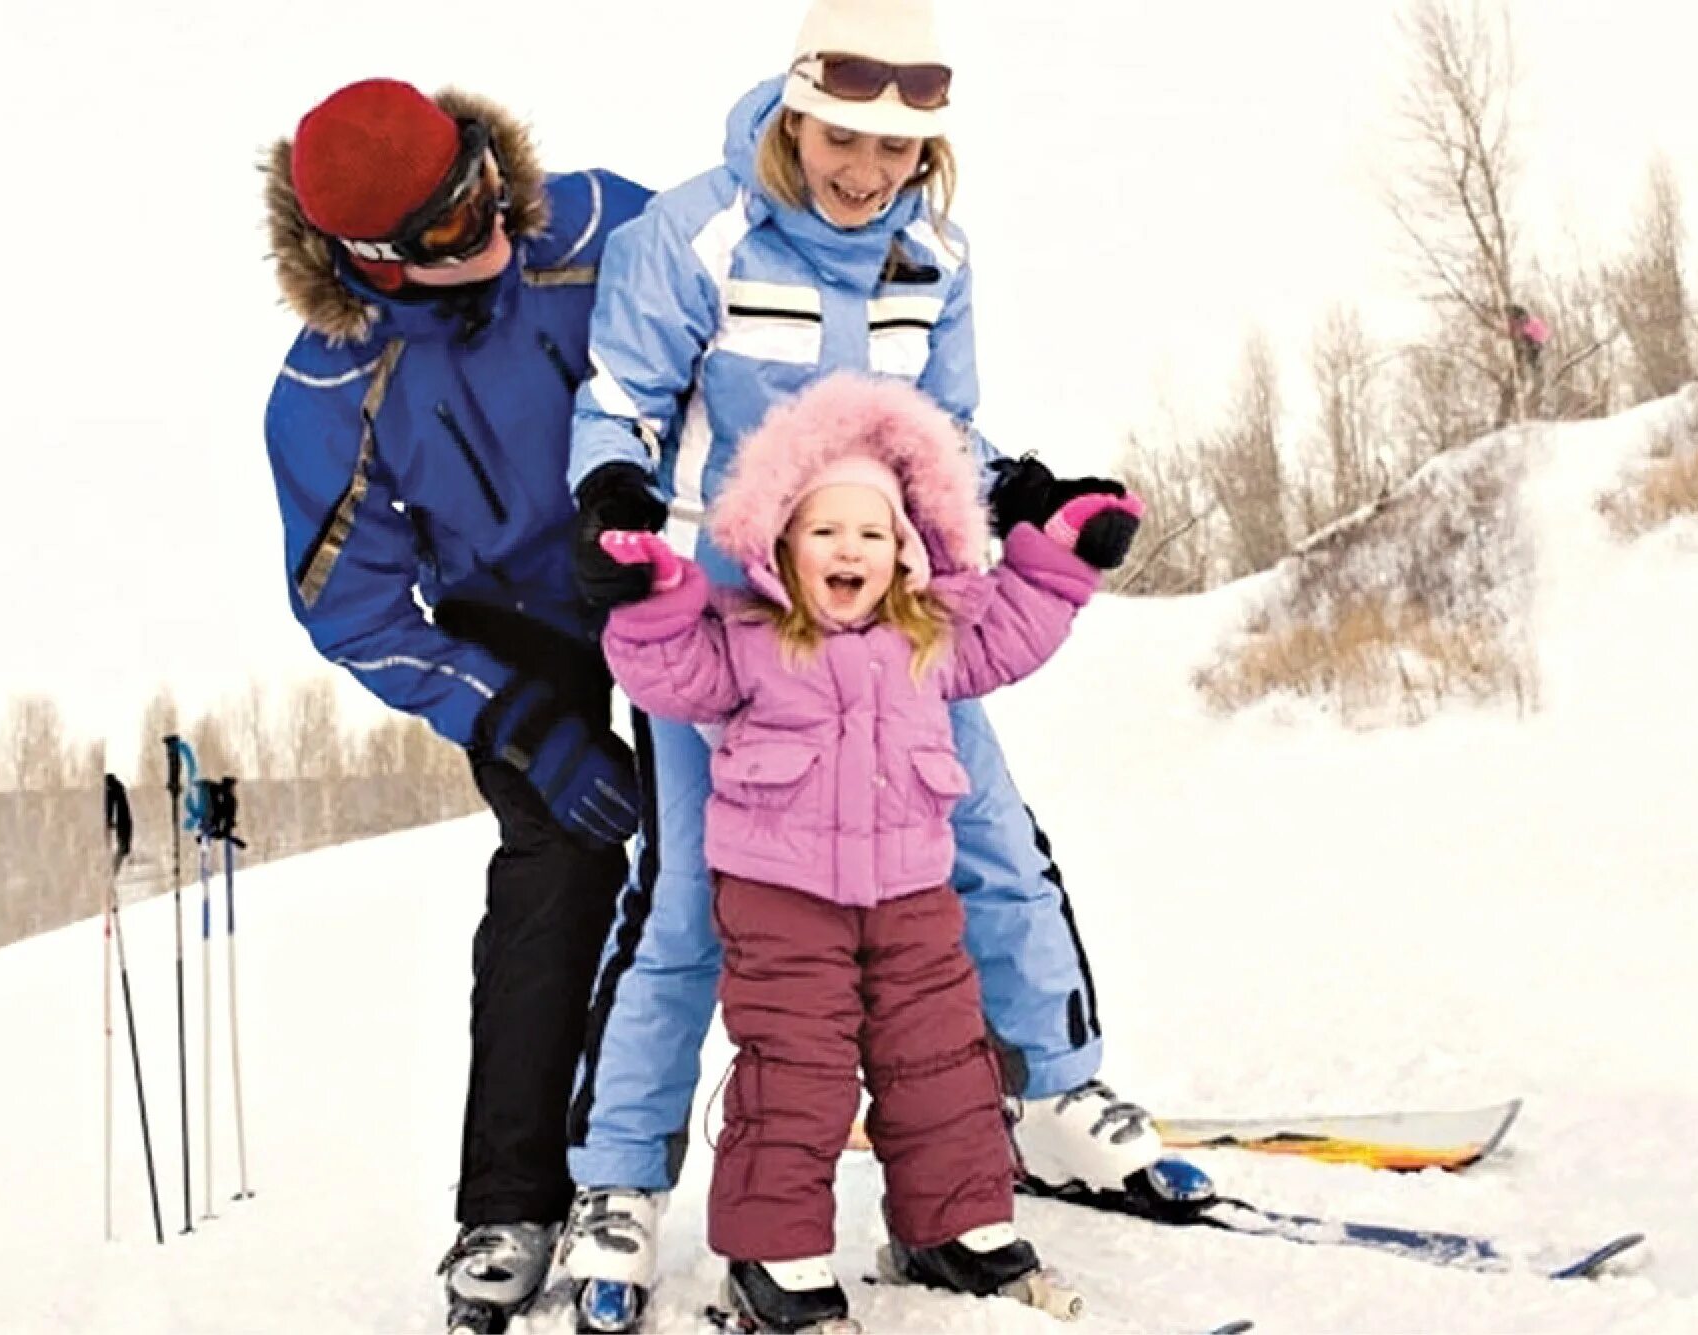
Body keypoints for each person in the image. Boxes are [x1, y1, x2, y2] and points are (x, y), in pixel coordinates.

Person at [557, 2, 1213, 1327]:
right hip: (733, 626)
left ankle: (1054, 1098)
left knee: (992, 852)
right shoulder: (689, 233)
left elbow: (946, 428)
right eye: (848, 136)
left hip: (894, 623)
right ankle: (620, 1186)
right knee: (689, 898)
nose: (869, 168)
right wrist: (613, 494)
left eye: (901, 146)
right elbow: (620, 395)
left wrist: (1024, 490)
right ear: (799, 109)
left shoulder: (936, 249)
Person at [595, 373, 1136, 1330]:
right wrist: (648, 596)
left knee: (943, 1062)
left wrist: (1062, 556)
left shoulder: (930, 639)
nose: (851, 548)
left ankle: (954, 1226)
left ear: (905, 554)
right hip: (780, 898)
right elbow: (665, 673)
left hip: (913, 892)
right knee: (795, 1070)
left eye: (874, 533)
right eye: (826, 530)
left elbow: (1017, 628)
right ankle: (775, 1254)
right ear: (782, 546)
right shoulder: (747, 639)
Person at [260, 78, 653, 1333]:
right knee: (559, 855)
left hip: (661, 561)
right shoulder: (330, 390)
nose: (487, 230)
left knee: (822, 798)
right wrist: (521, 721)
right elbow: (356, 611)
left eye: (484, 188)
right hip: (515, 627)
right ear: (366, 256)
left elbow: (759, 331)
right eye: (444, 229)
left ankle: (994, 1095)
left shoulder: (594, 234)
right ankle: (513, 1200)